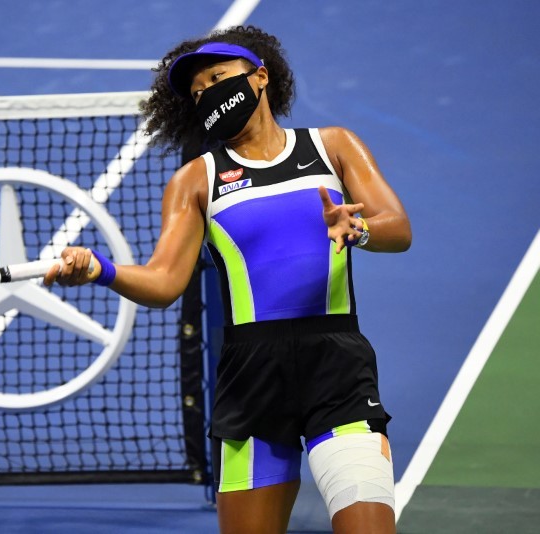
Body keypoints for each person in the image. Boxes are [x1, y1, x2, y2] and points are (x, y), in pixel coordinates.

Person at [44, 25, 411, 534]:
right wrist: (100, 270)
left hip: (337, 366)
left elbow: (399, 228)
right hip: (249, 377)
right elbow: (164, 281)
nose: (209, 93)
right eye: (197, 93)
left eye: (219, 78)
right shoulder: (196, 179)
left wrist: (361, 228)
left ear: (260, 77)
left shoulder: (333, 146)